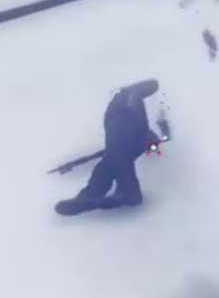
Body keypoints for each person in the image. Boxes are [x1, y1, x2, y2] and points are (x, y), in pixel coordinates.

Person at [57, 79, 162, 215]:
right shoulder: (126, 100)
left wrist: (131, 100)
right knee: (113, 158)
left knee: (115, 156)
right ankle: (114, 192)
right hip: (137, 135)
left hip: (128, 128)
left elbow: (151, 85)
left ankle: (109, 192)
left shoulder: (124, 96)